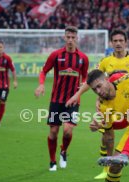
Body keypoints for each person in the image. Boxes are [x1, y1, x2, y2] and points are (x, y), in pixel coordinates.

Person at [34, 26, 89, 171]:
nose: (70, 40)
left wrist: (82, 88)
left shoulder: (83, 58)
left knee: (68, 130)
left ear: (77, 38)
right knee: (53, 132)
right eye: (68, 37)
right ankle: (52, 161)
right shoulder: (56, 55)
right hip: (56, 101)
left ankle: (63, 151)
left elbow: (85, 77)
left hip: (74, 101)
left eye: (73, 37)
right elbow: (44, 71)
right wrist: (41, 85)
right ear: (64, 38)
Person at [95, 29, 129, 182]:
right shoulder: (105, 62)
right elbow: (98, 82)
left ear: (125, 42)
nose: (118, 43)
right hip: (112, 105)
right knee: (106, 135)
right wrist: (98, 99)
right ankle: (106, 169)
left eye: (120, 41)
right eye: (115, 41)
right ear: (111, 43)